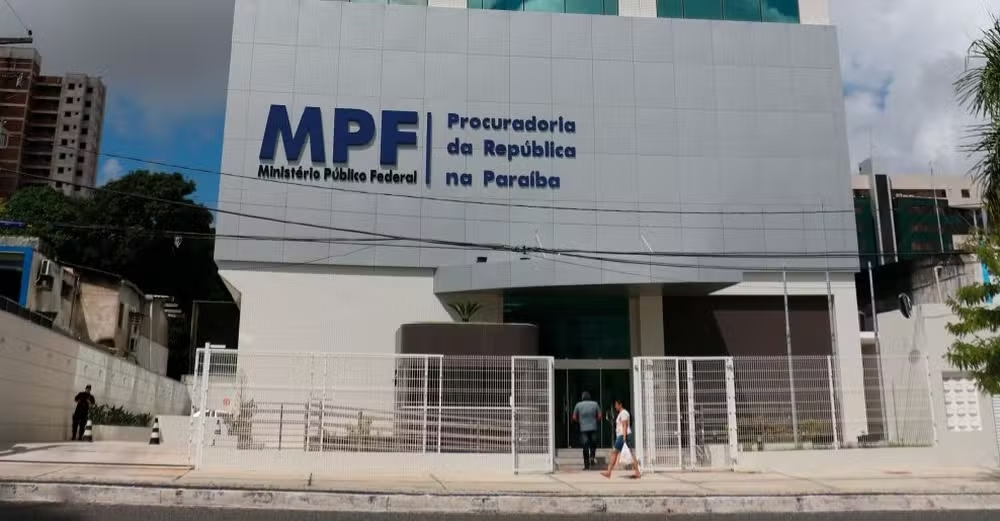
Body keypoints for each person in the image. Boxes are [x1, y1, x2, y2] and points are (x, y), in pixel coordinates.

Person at [602, 398, 640, 479]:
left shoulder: (624, 413)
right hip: (623, 435)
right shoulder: (621, 413)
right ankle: (637, 472)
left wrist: (624, 437)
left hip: (623, 435)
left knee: (615, 452)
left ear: (620, 404)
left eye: (616, 405)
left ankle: (609, 472)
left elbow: (624, 425)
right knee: (629, 453)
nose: (615, 406)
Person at [571, 391, 602, 470]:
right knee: (593, 443)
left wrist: (580, 421)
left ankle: (586, 465)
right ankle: (592, 456)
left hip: (583, 428)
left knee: (585, 446)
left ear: (582, 397)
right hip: (593, 427)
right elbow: (599, 416)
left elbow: (574, 417)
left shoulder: (578, 405)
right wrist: (595, 420)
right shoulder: (595, 404)